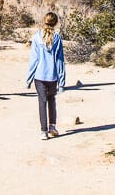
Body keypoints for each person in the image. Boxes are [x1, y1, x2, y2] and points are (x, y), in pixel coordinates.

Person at [25, 11, 66, 140]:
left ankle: (43, 131)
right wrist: (62, 82)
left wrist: (29, 79)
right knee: (52, 100)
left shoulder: (37, 37)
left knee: (42, 102)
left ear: (44, 21)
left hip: (39, 76)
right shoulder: (57, 39)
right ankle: (52, 126)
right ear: (56, 23)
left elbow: (34, 60)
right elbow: (60, 61)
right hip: (52, 76)